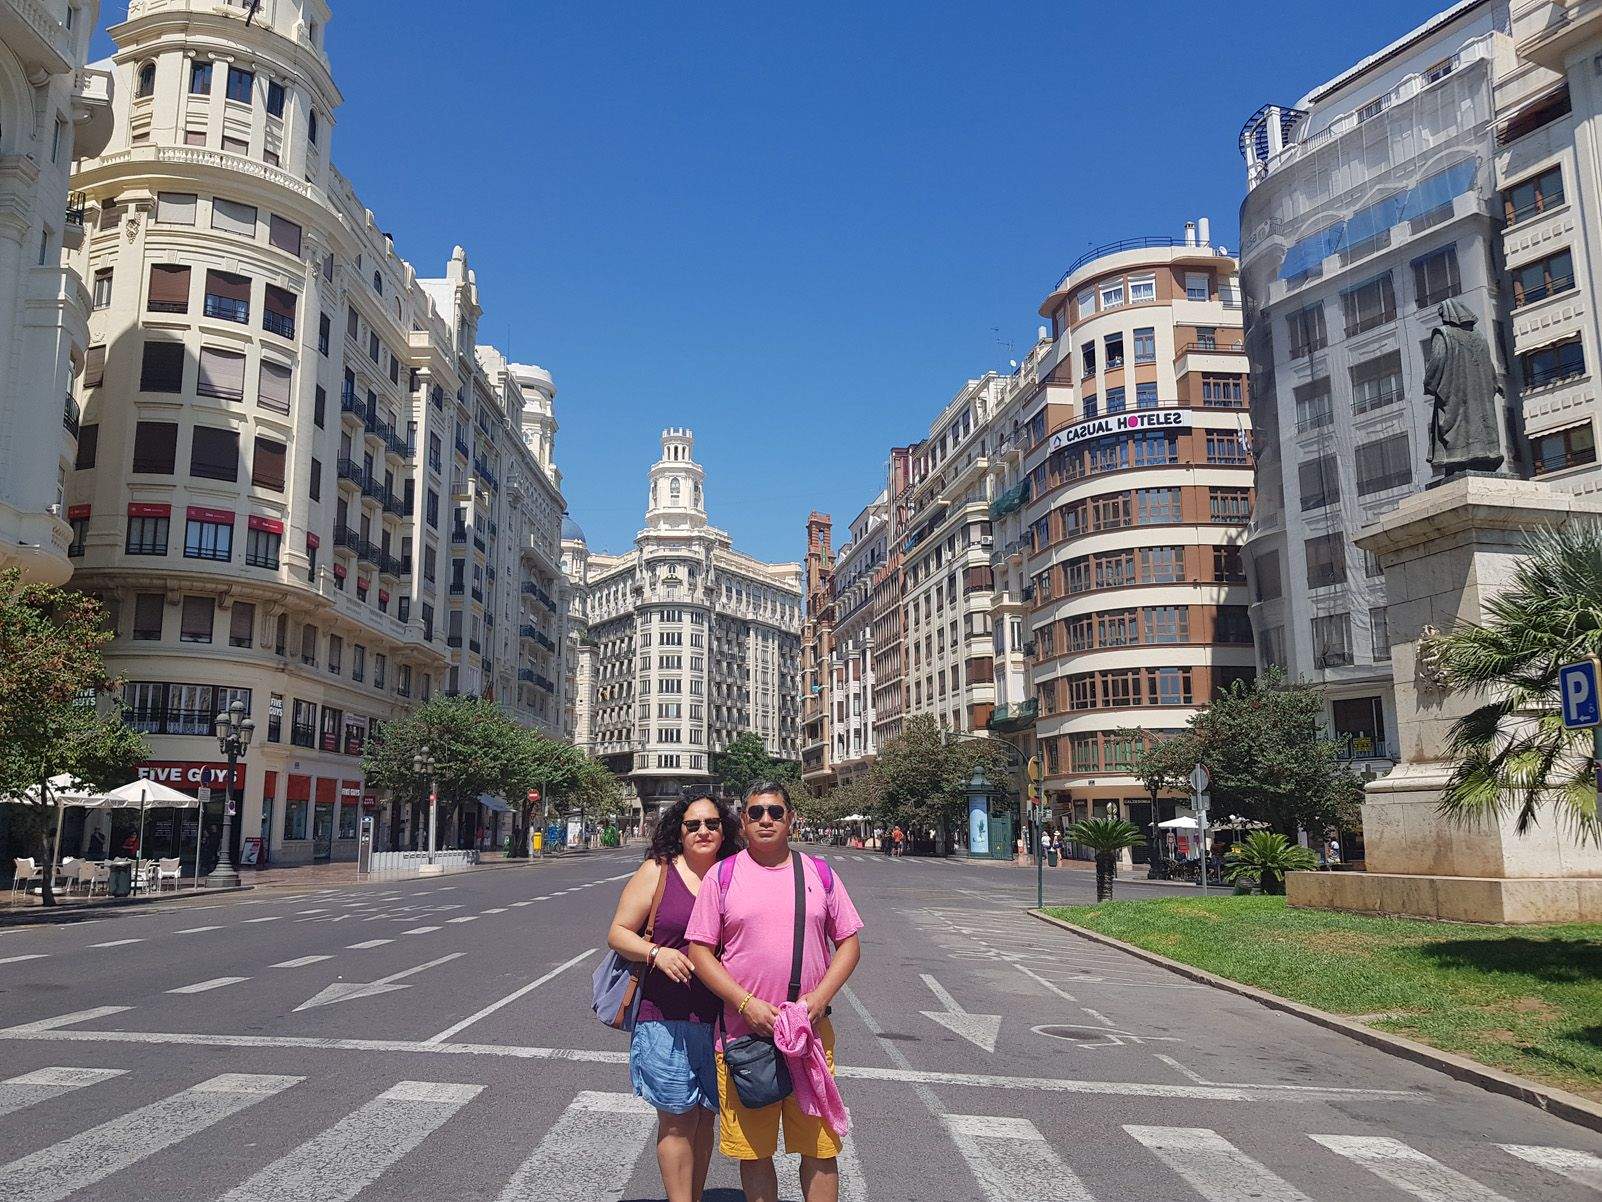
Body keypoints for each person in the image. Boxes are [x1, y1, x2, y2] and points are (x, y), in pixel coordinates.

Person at [687, 782, 863, 1202]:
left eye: (775, 812)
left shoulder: (819, 873)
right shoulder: (723, 875)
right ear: (743, 823)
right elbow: (700, 950)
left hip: (809, 1038)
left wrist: (817, 1001)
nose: (766, 819)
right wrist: (744, 1003)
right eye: (755, 813)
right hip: (743, 1037)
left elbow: (850, 944)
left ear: (791, 820)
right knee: (755, 1153)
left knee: (820, 1149)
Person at [607, 792, 739, 1202]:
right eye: (693, 824)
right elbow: (618, 933)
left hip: (722, 1018)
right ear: (678, 831)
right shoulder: (658, 872)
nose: (703, 831)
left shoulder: (736, 874)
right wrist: (655, 953)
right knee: (677, 1120)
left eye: (712, 824)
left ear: (724, 830)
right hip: (664, 1016)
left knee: (704, 1119)